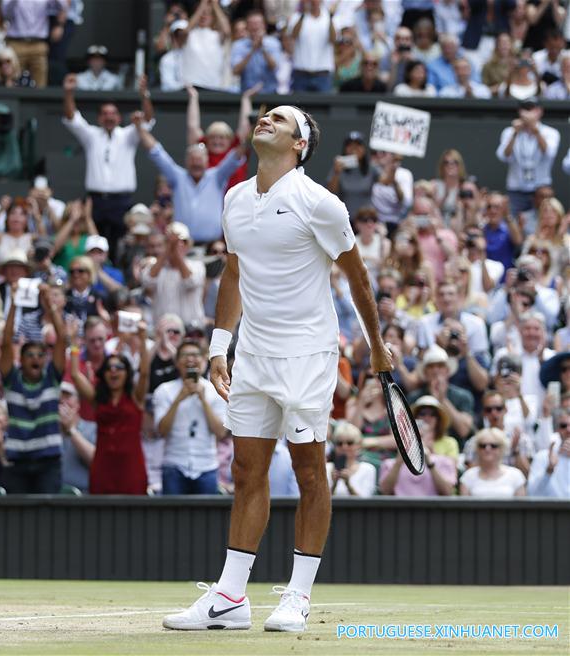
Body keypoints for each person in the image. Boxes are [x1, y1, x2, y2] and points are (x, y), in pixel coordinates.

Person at [164, 104, 392, 633]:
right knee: (246, 472)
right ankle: (230, 597)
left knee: (310, 472)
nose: (265, 120)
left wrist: (376, 345)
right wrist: (220, 346)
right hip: (254, 356)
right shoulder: (235, 198)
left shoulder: (322, 203)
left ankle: (297, 595)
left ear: (299, 144)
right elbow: (233, 273)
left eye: (279, 119)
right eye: (263, 115)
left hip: (309, 356)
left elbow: (357, 280)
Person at [61, 72, 154, 261]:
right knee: (94, 244)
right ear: (99, 118)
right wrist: (69, 93)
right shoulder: (91, 136)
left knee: (121, 245)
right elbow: (72, 118)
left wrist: (144, 94)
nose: (109, 117)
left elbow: (148, 120)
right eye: (105, 114)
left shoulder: (129, 134)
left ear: (119, 117)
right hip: (96, 201)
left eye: (113, 113)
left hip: (121, 202)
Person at [0, 283, 67, 494]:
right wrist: (13, 304)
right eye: (30, 355)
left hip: (48, 461)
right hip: (18, 461)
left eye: (40, 355)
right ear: (21, 360)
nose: (36, 359)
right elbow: (6, 343)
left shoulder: (52, 378)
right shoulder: (12, 380)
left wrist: (51, 306)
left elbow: (62, 339)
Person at [135, 113, 246, 244]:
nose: (196, 163)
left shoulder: (217, 176)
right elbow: (156, 152)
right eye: (192, 159)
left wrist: (251, 133)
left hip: (212, 247)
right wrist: (139, 127)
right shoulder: (177, 177)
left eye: (199, 159)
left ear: (206, 161)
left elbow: (237, 155)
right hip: (181, 245)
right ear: (186, 162)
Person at [69, 320, 150, 495]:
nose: (114, 371)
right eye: (109, 368)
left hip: (131, 468)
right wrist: (74, 343)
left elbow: (144, 372)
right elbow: (75, 374)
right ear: (103, 373)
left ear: (127, 373)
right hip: (103, 467)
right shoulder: (97, 399)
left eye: (119, 367)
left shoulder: (136, 397)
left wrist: (142, 339)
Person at [153, 339, 226, 495]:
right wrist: (179, 398)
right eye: (185, 355)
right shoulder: (164, 391)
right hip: (174, 465)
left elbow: (220, 432)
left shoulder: (215, 391)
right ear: (177, 362)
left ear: (203, 360)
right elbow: (161, 431)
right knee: (172, 518)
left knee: (207, 518)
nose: (190, 359)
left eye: (195, 355)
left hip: (206, 466)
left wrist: (203, 399)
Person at [495, 97, 562, 216]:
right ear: (520, 112)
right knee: (513, 222)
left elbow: (549, 153)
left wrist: (536, 131)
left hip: (541, 190)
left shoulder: (551, 132)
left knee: (544, 222)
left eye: (532, 109)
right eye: (526, 109)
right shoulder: (509, 132)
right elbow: (503, 156)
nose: (529, 113)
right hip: (516, 190)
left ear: (540, 111)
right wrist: (515, 133)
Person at [141, 224, 206, 328]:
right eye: (170, 242)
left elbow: (190, 281)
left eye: (183, 242)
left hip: (191, 330)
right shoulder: (155, 267)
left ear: (188, 246)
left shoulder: (197, 266)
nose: (178, 245)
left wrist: (176, 254)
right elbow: (148, 281)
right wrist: (167, 250)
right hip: (162, 329)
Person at [1, 0, 64, 88]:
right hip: (17, 43)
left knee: (40, 85)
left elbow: (61, 6)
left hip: (38, 44)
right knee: (13, 82)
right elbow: (5, 14)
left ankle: (40, 101)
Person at [460, 428, 527, 497]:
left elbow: (522, 506)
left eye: (493, 446)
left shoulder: (516, 475)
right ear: (477, 449)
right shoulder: (468, 476)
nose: (487, 449)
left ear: (502, 448)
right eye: (483, 446)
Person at [180, 0, 231, 91]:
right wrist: (202, 4)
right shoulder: (190, 34)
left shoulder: (216, 35)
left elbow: (227, 31)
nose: (203, 16)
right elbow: (185, 32)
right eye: (201, 13)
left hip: (213, 85)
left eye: (207, 14)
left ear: (213, 17)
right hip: (191, 85)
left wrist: (215, 5)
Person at [287, 0, 336, 93]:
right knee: (298, 107)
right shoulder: (297, 16)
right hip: (300, 74)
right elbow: (293, 35)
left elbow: (333, 39)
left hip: (323, 75)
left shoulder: (329, 16)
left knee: (324, 106)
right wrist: (303, 15)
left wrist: (330, 18)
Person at [230, 9, 281, 93]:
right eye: (251, 24)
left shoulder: (273, 43)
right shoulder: (238, 45)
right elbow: (235, 71)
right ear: (247, 27)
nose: (255, 27)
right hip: (247, 93)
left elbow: (275, 67)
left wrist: (262, 48)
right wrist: (252, 50)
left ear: (264, 25)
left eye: (257, 23)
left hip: (270, 93)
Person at [325, 422, 376, 497]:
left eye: (350, 443)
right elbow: (320, 502)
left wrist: (348, 484)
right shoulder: (326, 468)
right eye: (339, 443)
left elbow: (365, 504)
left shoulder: (368, 469)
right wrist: (334, 484)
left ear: (359, 445)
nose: (344, 447)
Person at [528, 410, 570, 497]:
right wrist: (549, 470)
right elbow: (532, 493)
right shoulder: (542, 456)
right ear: (558, 429)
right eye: (563, 426)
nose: (568, 429)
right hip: (553, 509)